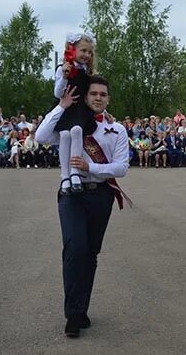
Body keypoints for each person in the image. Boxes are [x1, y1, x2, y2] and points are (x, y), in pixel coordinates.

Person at [35, 76, 129, 339]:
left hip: (100, 195)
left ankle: (81, 309)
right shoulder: (70, 122)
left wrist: (92, 167)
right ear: (86, 97)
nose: (98, 97)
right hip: (71, 196)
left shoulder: (116, 129)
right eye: (93, 93)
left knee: (90, 254)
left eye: (103, 94)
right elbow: (41, 137)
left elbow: (121, 167)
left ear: (108, 99)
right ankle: (73, 315)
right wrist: (62, 106)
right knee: (75, 249)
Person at [53, 32, 98, 195]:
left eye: (89, 52)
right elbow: (57, 93)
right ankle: (65, 176)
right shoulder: (62, 69)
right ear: (72, 50)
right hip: (66, 107)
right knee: (65, 135)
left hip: (80, 109)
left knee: (77, 130)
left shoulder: (87, 72)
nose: (86, 55)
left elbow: (91, 96)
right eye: (83, 51)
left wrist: (103, 111)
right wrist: (64, 76)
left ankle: (75, 172)